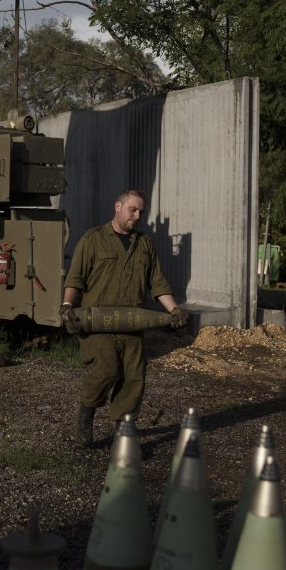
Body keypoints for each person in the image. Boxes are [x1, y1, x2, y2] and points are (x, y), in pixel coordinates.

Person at [60, 189, 188, 446]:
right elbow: (75, 277)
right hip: (99, 323)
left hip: (132, 323)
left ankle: (123, 434)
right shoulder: (93, 239)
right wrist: (66, 305)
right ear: (117, 206)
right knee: (106, 370)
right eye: (133, 209)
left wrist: (174, 310)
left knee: (133, 377)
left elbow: (158, 283)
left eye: (141, 211)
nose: (137, 216)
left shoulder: (144, 244)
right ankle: (86, 414)